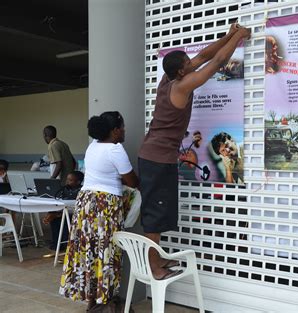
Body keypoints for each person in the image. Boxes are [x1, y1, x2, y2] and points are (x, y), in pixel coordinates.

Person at [138, 23, 251, 280]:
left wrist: (230, 35)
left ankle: (158, 260)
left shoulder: (169, 79)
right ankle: (154, 268)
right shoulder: (181, 86)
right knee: (154, 216)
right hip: (157, 158)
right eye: (188, 64)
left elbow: (204, 56)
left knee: (160, 211)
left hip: (155, 155)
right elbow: (218, 61)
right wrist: (241, 37)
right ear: (181, 71)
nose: (193, 63)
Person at [59, 111, 139, 311]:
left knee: (88, 250)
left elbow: (103, 173)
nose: (124, 130)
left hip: (85, 202)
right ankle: (107, 301)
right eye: (122, 127)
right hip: (105, 205)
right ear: (114, 131)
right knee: (107, 251)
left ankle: (92, 303)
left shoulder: (92, 146)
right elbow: (132, 182)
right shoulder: (115, 149)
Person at [43, 171, 84, 250]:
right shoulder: (64, 189)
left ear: (78, 182)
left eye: (70, 180)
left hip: (74, 213)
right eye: (67, 180)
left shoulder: (81, 190)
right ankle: (56, 243)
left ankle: (65, 244)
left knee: (62, 218)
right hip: (64, 211)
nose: (67, 182)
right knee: (54, 219)